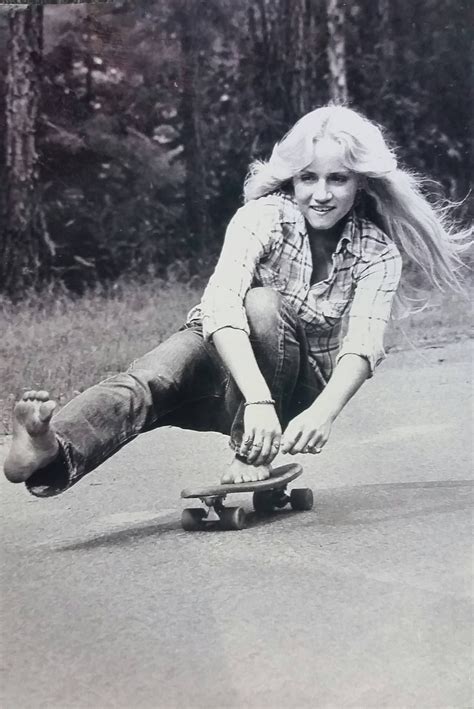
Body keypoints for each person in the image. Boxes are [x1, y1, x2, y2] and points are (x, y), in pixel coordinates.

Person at [3, 105, 469, 497]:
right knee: (146, 381)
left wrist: (322, 413)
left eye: (338, 179)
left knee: (264, 303)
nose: (321, 194)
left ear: (360, 184)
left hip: (297, 395)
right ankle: (50, 448)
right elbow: (221, 306)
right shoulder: (262, 217)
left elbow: (363, 345)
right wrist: (257, 399)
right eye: (308, 178)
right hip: (229, 363)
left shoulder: (376, 252)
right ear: (291, 179)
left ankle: (254, 449)